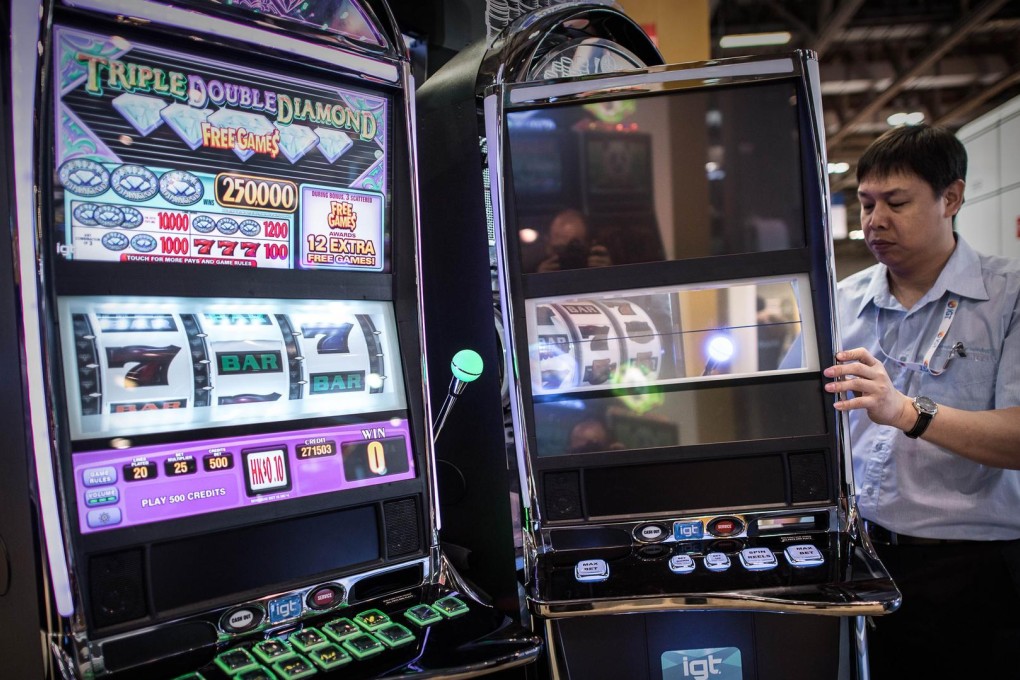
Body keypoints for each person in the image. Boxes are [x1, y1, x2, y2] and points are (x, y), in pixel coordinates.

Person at [822, 124, 1020, 679]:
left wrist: (907, 412)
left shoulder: (1007, 297)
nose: (874, 220)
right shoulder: (841, 300)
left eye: (896, 202)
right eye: (865, 203)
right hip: (861, 557)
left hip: (974, 570)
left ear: (950, 198)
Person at [535, 208, 612, 272]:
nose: (569, 255)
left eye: (575, 249)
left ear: (591, 245)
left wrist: (608, 274)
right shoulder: (532, 272)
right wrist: (541, 281)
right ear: (548, 247)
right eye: (560, 250)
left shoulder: (601, 269)